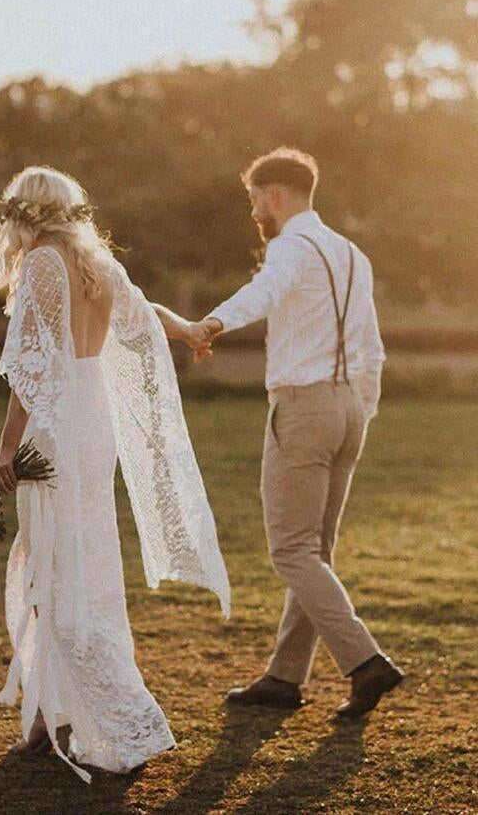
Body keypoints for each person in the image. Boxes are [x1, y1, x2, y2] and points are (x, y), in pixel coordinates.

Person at [0, 165, 230, 782]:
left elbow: (33, 366)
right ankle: (49, 716)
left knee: (59, 567)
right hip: (93, 418)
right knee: (74, 557)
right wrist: (188, 330)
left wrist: (7, 449)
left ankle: (122, 717)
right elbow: (144, 313)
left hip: (60, 419)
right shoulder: (92, 258)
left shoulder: (43, 262)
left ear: (22, 212)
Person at [191, 146, 403, 718]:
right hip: (348, 409)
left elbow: (263, 293)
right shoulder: (353, 253)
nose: (254, 210)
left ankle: (365, 661)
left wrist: (213, 322)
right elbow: (372, 347)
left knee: (292, 550)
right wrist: (359, 410)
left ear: (275, 195)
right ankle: (284, 678)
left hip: (305, 408)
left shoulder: (289, 247)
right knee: (316, 551)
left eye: (255, 199)